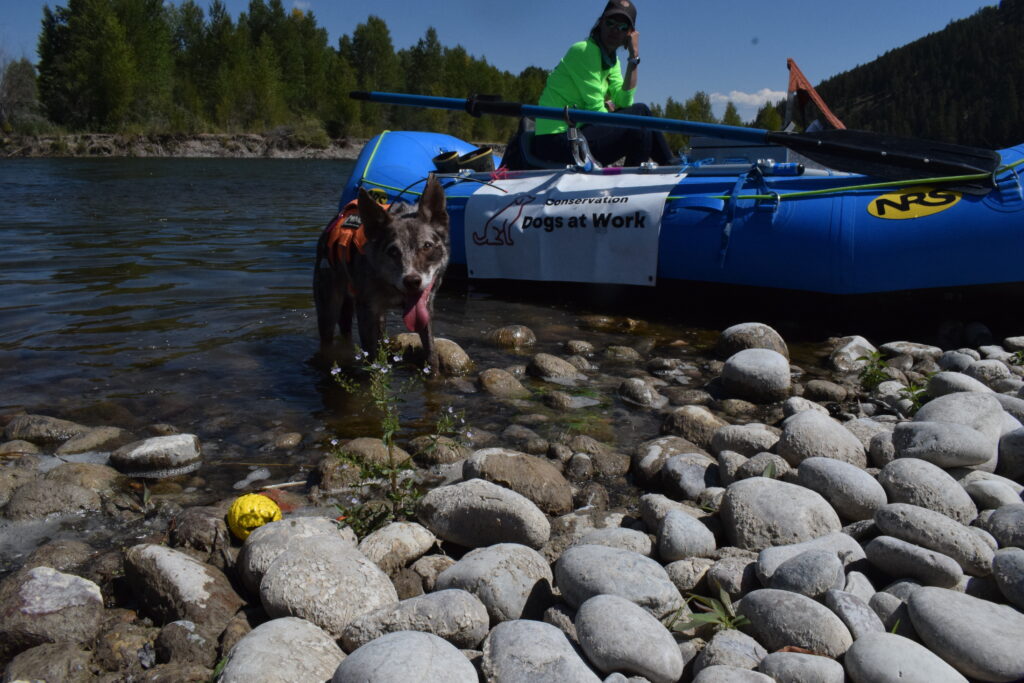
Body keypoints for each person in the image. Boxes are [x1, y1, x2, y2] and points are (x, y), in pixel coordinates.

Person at [531, 0, 677, 167]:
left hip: (576, 135)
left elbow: (624, 101)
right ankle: (668, 165)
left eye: (622, 27)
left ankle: (651, 172)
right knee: (641, 114)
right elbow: (596, 112)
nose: (615, 30)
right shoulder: (585, 50)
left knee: (640, 123)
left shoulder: (612, 61)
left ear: (629, 34)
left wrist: (633, 57)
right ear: (600, 23)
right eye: (610, 23)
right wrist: (615, 114)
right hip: (555, 140)